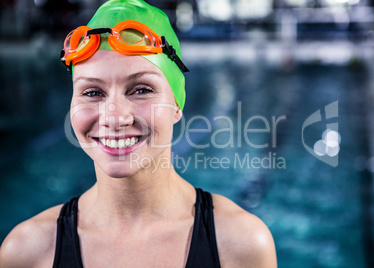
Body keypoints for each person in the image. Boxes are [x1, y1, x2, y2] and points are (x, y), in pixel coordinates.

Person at [0, 0, 276, 267]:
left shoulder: (242, 245)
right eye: (92, 92)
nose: (115, 117)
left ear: (177, 104)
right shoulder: (27, 251)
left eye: (141, 89)